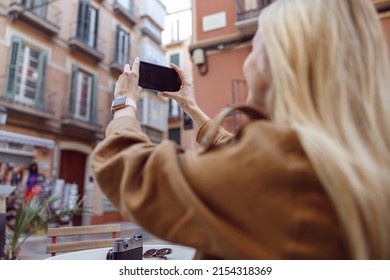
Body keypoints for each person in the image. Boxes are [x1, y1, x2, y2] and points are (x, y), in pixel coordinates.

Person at [91, 0, 390, 259]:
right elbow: (232, 148)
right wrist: (192, 107)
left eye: (254, 48)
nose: (247, 65)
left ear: (281, 63)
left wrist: (124, 103)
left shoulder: (283, 163)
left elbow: (134, 174)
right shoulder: (352, 157)